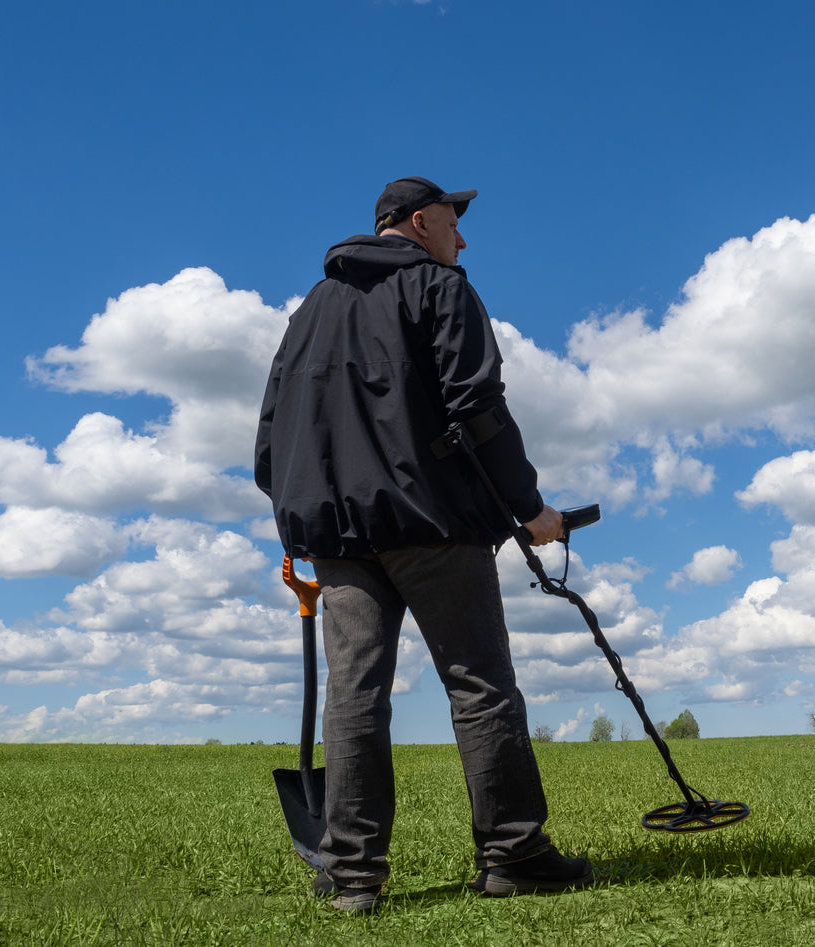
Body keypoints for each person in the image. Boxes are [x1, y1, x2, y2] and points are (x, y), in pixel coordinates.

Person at [254, 176, 592, 910]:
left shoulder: (309, 310)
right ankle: (513, 854)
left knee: (355, 695)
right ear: (418, 222)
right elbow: (478, 408)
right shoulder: (441, 288)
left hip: (339, 538)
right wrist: (529, 508)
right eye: (452, 223)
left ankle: (351, 876)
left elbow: (270, 437)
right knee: (480, 685)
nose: (462, 239)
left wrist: (298, 520)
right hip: (433, 524)